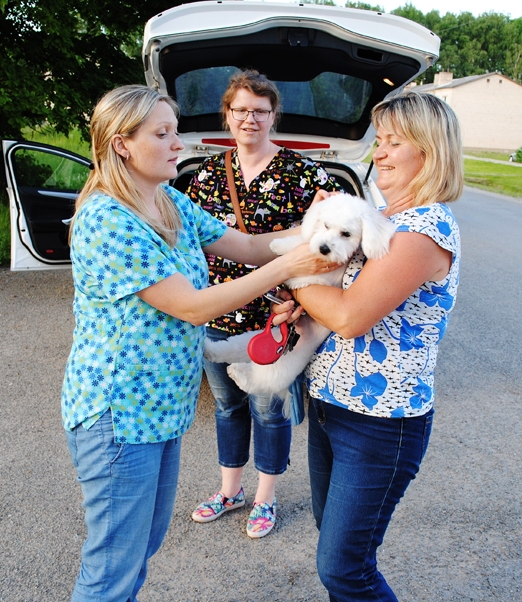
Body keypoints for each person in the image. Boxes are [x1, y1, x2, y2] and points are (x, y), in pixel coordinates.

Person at [61, 84, 337, 602]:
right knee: (112, 566)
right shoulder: (106, 219)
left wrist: (320, 226)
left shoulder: (170, 204)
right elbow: (192, 305)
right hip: (118, 415)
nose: (177, 144)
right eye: (162, 134)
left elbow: (251, 247)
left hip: (159, 410)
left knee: (141, 547)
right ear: (122, 144)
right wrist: (291, 267)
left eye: (175, 132)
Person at [290, 91, 463, 600]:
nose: (378, 153)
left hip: (380, 425)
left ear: (429, 152)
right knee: (335, 545)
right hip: (330, 406)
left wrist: (293, 282)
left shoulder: (426, 228)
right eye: (378, 141)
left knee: (345, 569)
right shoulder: (377, 218)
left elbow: (348, 316)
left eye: (393, 143)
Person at [184, 70, 341, 538]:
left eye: (259, 110)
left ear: (274, 115)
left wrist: (298, 297)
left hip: (275, 316)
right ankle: (229, 490)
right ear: (227, 116)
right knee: (228, 406)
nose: (249, 118)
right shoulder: (208, 174)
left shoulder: (304, 172)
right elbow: (191, 244)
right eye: (241, 110)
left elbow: (325, 243)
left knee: (268, 407)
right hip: (217, 311)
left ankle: (264, 498)